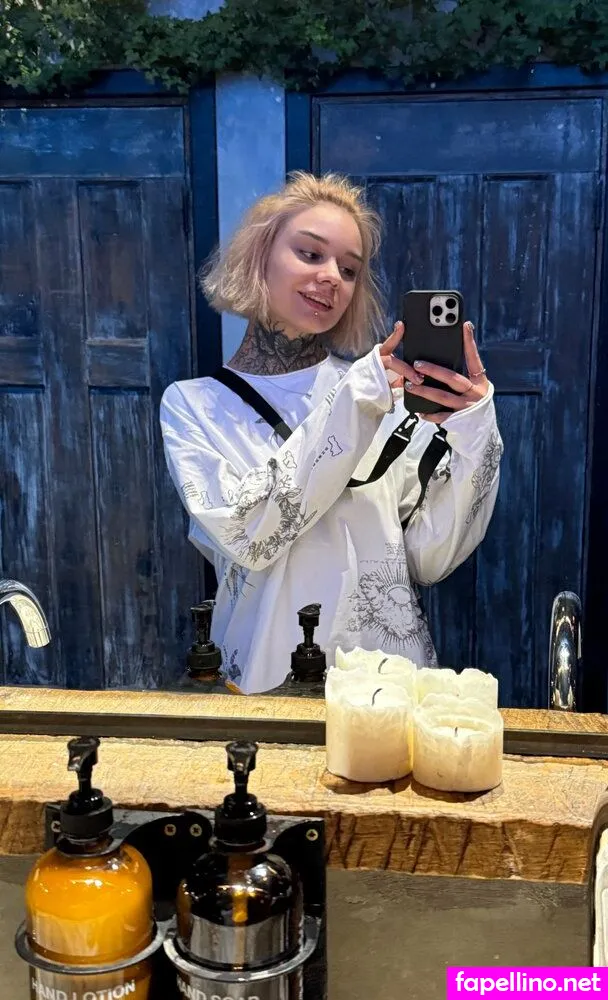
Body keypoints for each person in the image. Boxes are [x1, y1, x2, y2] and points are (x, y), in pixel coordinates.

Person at [160, 171, 503, 695]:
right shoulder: (194, 405)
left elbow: (429, 557)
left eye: (349, 269)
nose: (331, 278)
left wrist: (473, 433)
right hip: (265, 674)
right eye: (310, 253)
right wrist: (357, 401)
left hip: (386, 681)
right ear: (259, 256)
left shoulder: (381, 395)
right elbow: (250, 536)